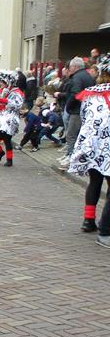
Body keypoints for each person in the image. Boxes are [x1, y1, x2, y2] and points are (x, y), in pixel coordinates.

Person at [67, 58, 110, 240]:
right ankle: (106, 225)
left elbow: (82, 114)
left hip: (91, 143)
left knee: (95, 181)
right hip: (107, 145)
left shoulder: (90, 93)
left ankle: (88, 220)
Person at [57, 56, 96, 169]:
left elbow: (75, 94)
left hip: (77, 110)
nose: (69, 69)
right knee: (80, 135)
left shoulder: (77, 77)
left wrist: (69, 106)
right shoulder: (88, 76)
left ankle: (71, 159)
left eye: (70, 67)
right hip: (87, 109)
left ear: (74, 67)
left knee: (71, 134)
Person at [0, 70, 23, 167]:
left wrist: (4, 100)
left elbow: (18, 105)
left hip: (10, 118)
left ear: (8, 82)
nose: (0, 83)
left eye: (2, 82)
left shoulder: (17, 92)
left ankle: (9, 160)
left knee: (7, 139)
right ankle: (0, 152)